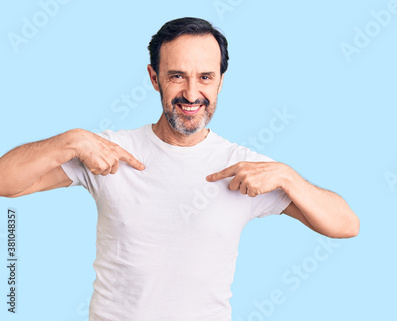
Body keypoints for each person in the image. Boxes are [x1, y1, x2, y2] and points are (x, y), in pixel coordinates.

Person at [0, 17, 359, 321]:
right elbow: (5, 181)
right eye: (176, 76)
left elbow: (346, 225)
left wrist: (288, 177)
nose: (191, 94)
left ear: (220, 80)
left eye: (205, 77)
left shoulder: (245, 168)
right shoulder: (107, 152)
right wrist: (71, 140)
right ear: (154, 78)